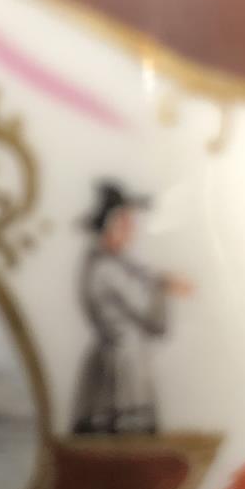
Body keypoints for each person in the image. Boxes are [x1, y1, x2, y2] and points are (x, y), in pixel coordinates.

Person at [70, 182, 193, 436]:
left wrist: (160, 282)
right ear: (110, 227)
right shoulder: (106, 268)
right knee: (124, 428)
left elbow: (140, 282)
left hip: (121, 358)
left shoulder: (108, 264)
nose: (131, 228)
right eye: (125, 221)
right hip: (122, 363)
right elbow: (146, 309)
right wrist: (164, 286)